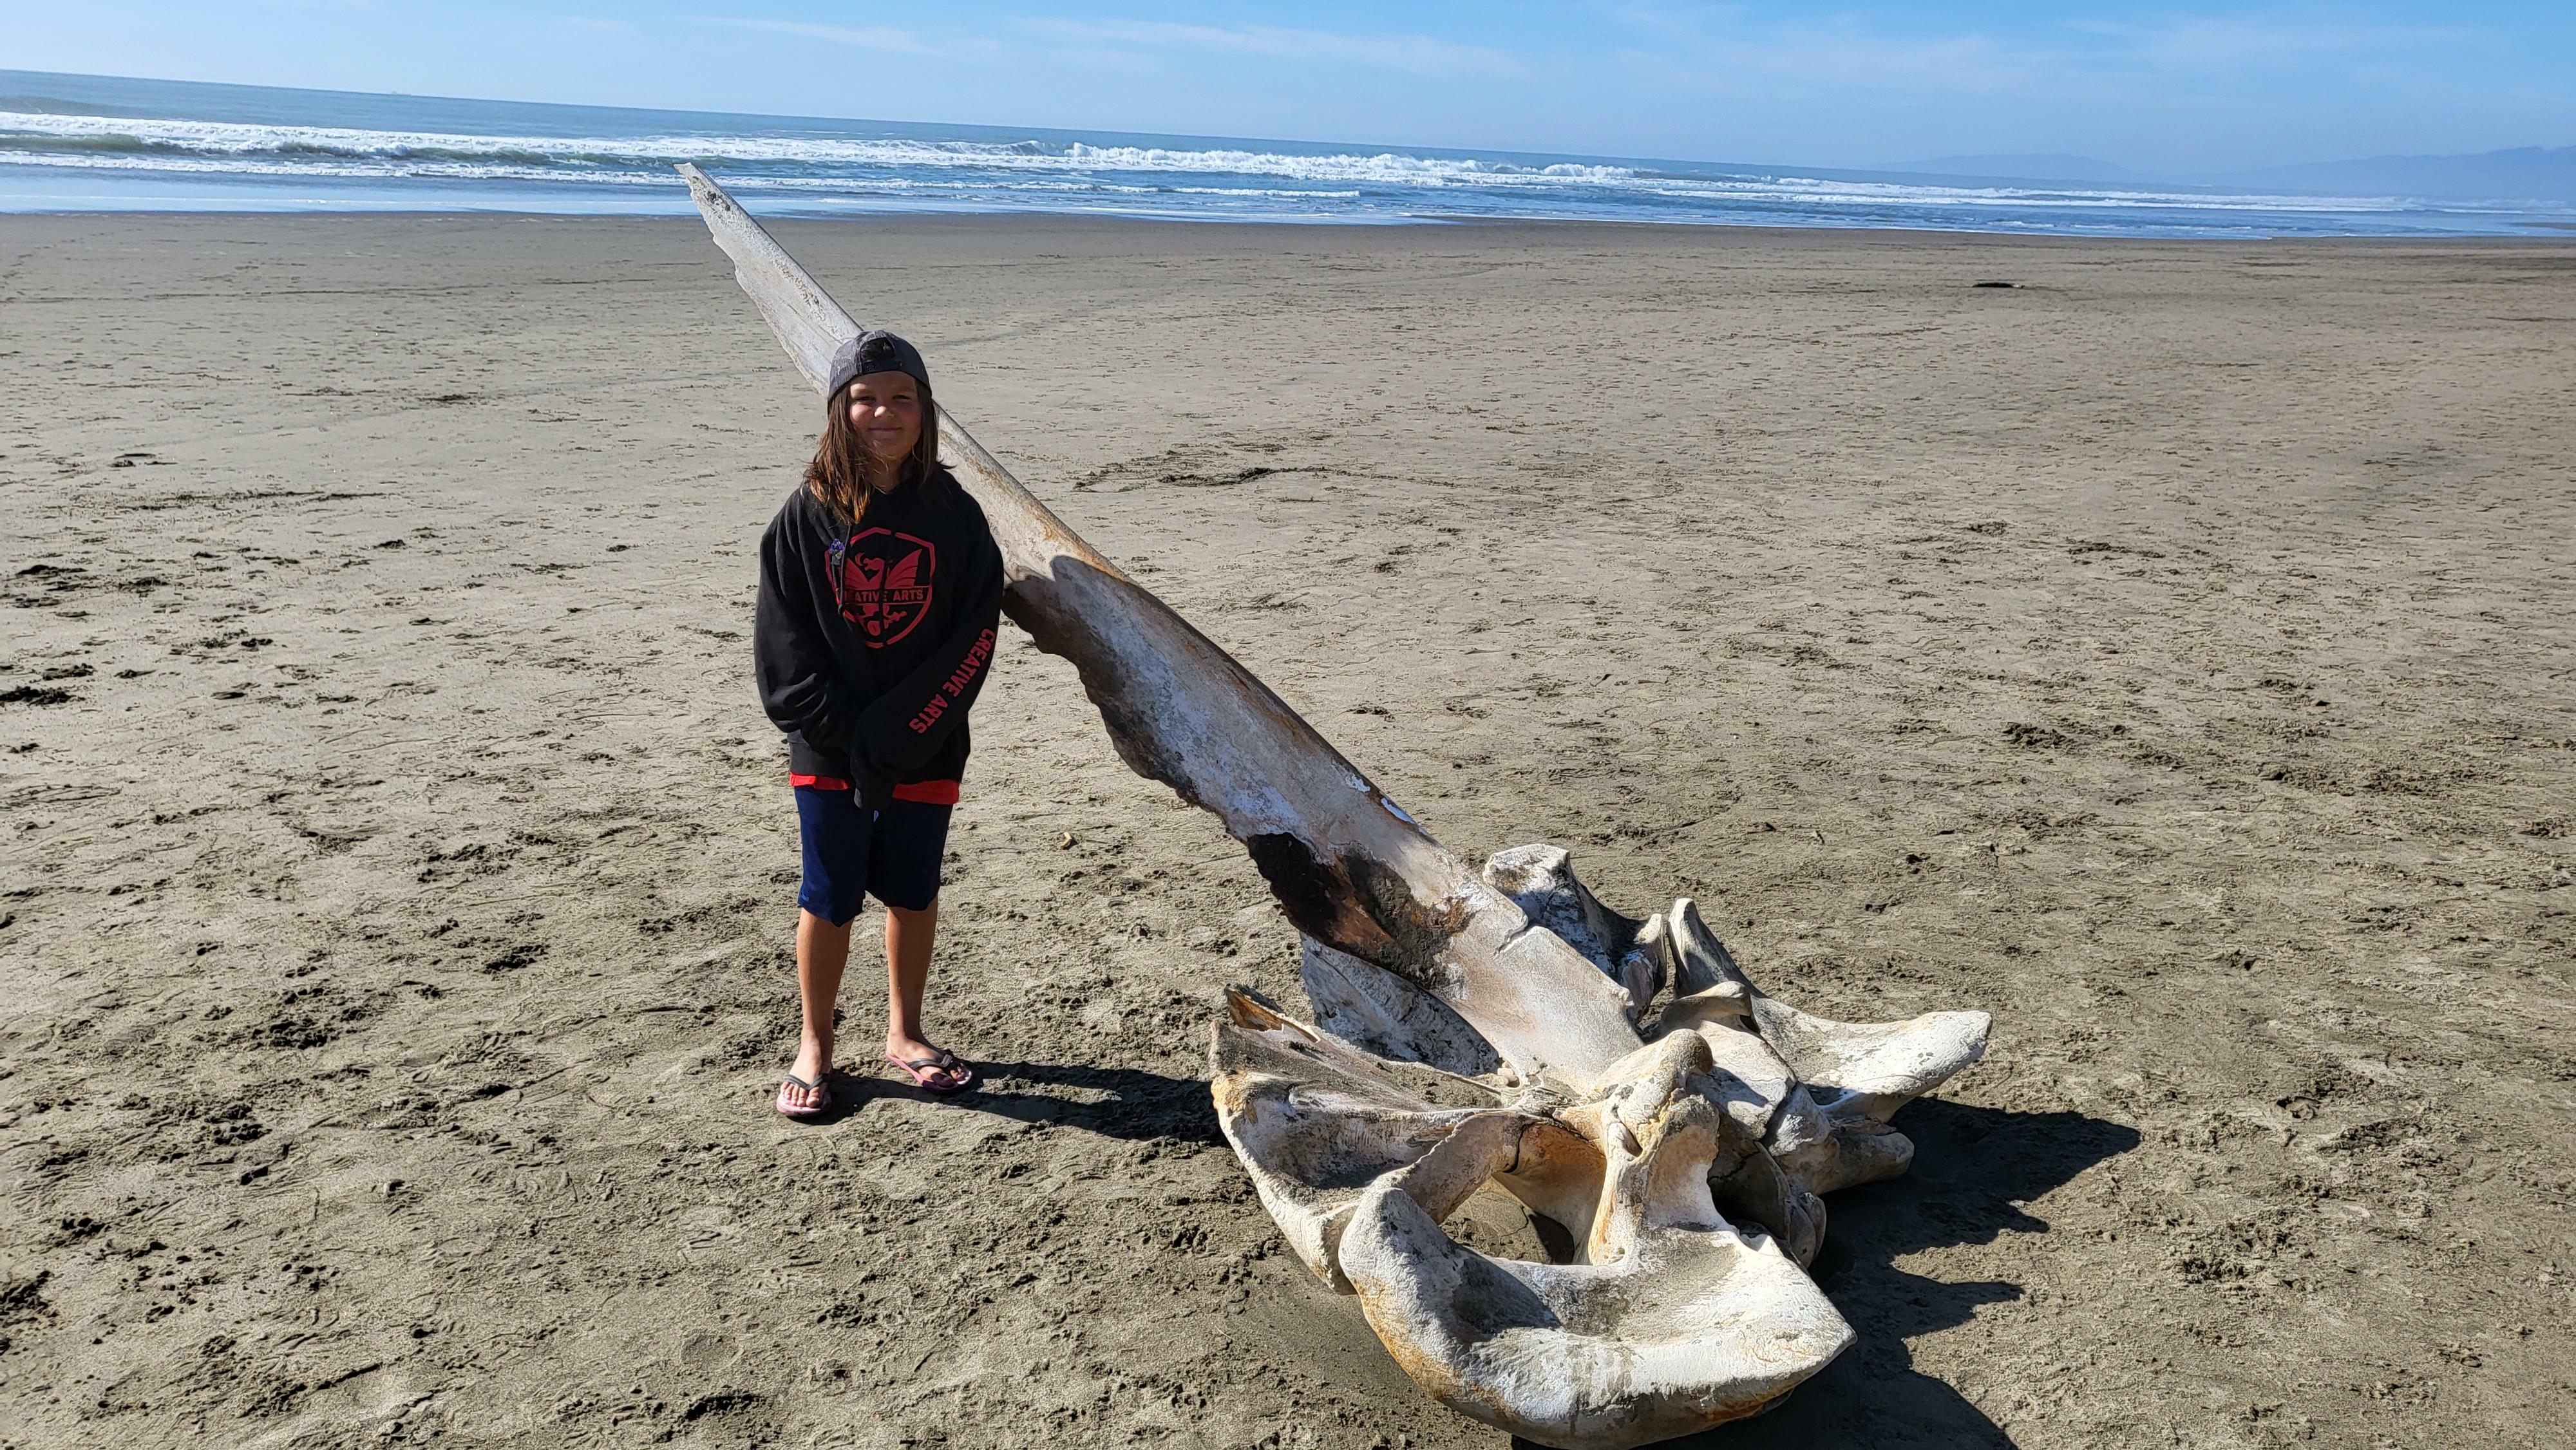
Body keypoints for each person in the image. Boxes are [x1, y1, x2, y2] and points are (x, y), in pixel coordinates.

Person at [753, 330, 1003, 1117]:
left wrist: (903, 734)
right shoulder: (806, 516)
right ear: (838, 411)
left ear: (926, 410)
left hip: (926, 738)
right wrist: (848, 737)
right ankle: (816, 1043)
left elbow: (975, 636)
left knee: (913, 888)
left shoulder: (955, 514)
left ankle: (905, 1031)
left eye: (902, 397)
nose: (883, 412)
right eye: (865, 398)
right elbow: (782, 650)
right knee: (829, 893)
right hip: (827, 746)